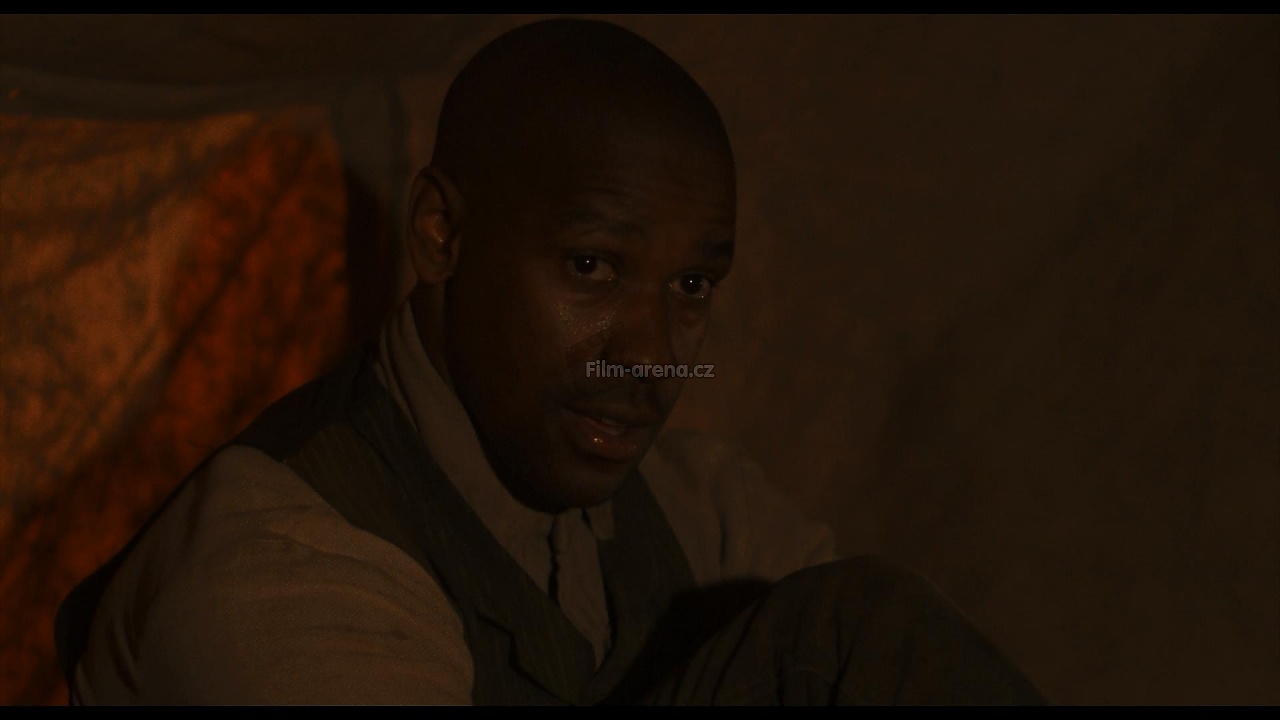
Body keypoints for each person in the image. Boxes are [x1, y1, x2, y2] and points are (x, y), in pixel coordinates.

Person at [55, 19, 1046, 705]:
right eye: (591, 267)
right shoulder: (279, 576)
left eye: (691, 286)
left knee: (853, 634)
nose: (648, 356)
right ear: (442, 234)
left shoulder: (699, 514)